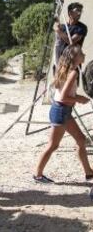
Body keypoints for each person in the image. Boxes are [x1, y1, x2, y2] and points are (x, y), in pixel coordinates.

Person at [34, 45, 93, 183]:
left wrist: (77, 97)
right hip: (61, 111)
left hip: (63, 111)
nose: (83, 54)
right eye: (81, 53)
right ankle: (37, 174)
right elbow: (64, 97)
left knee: (81, 139)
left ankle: (88, 172)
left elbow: (64, 93)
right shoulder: (73, 73)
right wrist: (80, 99)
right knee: (53, 145)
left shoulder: (66, 69)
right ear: (75, 57)